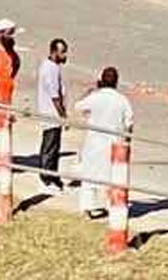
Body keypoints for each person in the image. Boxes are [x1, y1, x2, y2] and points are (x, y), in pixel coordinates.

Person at [74, 66, 134, 218]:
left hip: (94, 144)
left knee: (89, 178)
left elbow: (78, 106)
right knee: (112, 179)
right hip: (114, 145)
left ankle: (87, 208)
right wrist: (127, 141)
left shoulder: (96, 97)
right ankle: (112, 207)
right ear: (116, 82)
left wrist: (89, 92)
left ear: (101, 81)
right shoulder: (122, 100)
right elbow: (129, 123)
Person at [36, 38, 70, 192]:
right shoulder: (49, 69)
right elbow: (54, 96)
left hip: (53, 113)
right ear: (54, 52)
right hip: (51, 113)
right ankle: (46, 178)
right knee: (49, 147)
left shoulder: (54, 67)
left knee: (55, 147)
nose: (65, 55)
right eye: (62, 52)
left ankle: (54, 177)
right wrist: (63, 115)